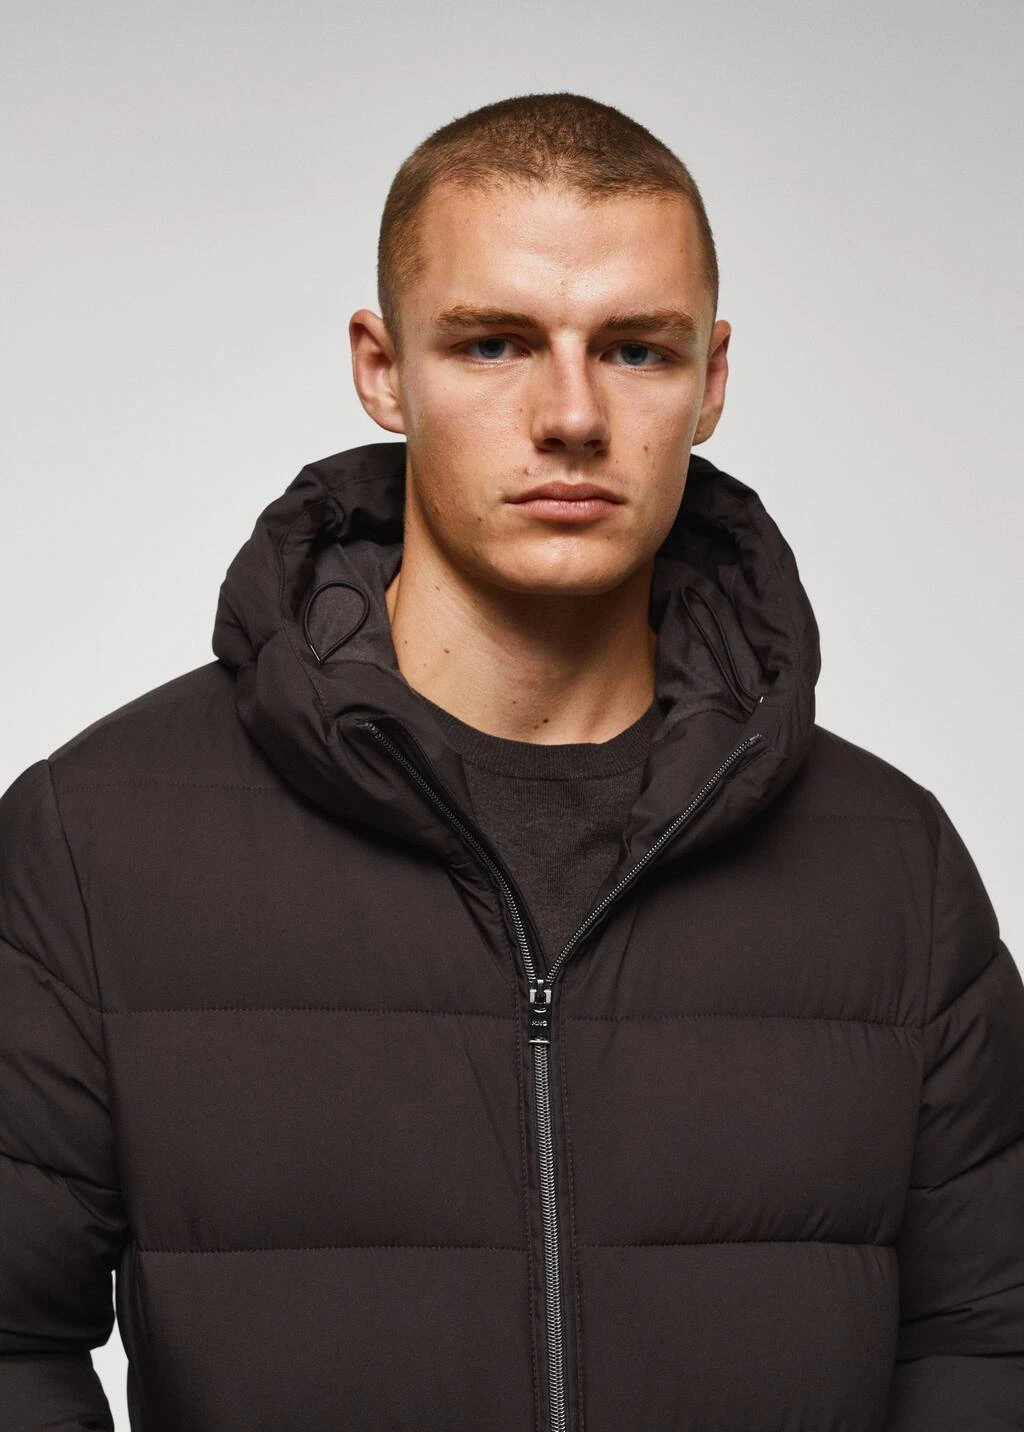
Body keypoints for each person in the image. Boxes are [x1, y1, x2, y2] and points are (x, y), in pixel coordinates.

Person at [1, 90, 1021, 1432]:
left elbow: (990, 1347)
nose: (572, 414)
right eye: (494, 343)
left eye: (637, 350)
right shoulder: (95, 840)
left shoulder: (896, 868)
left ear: (712, 380)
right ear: (383, 369)